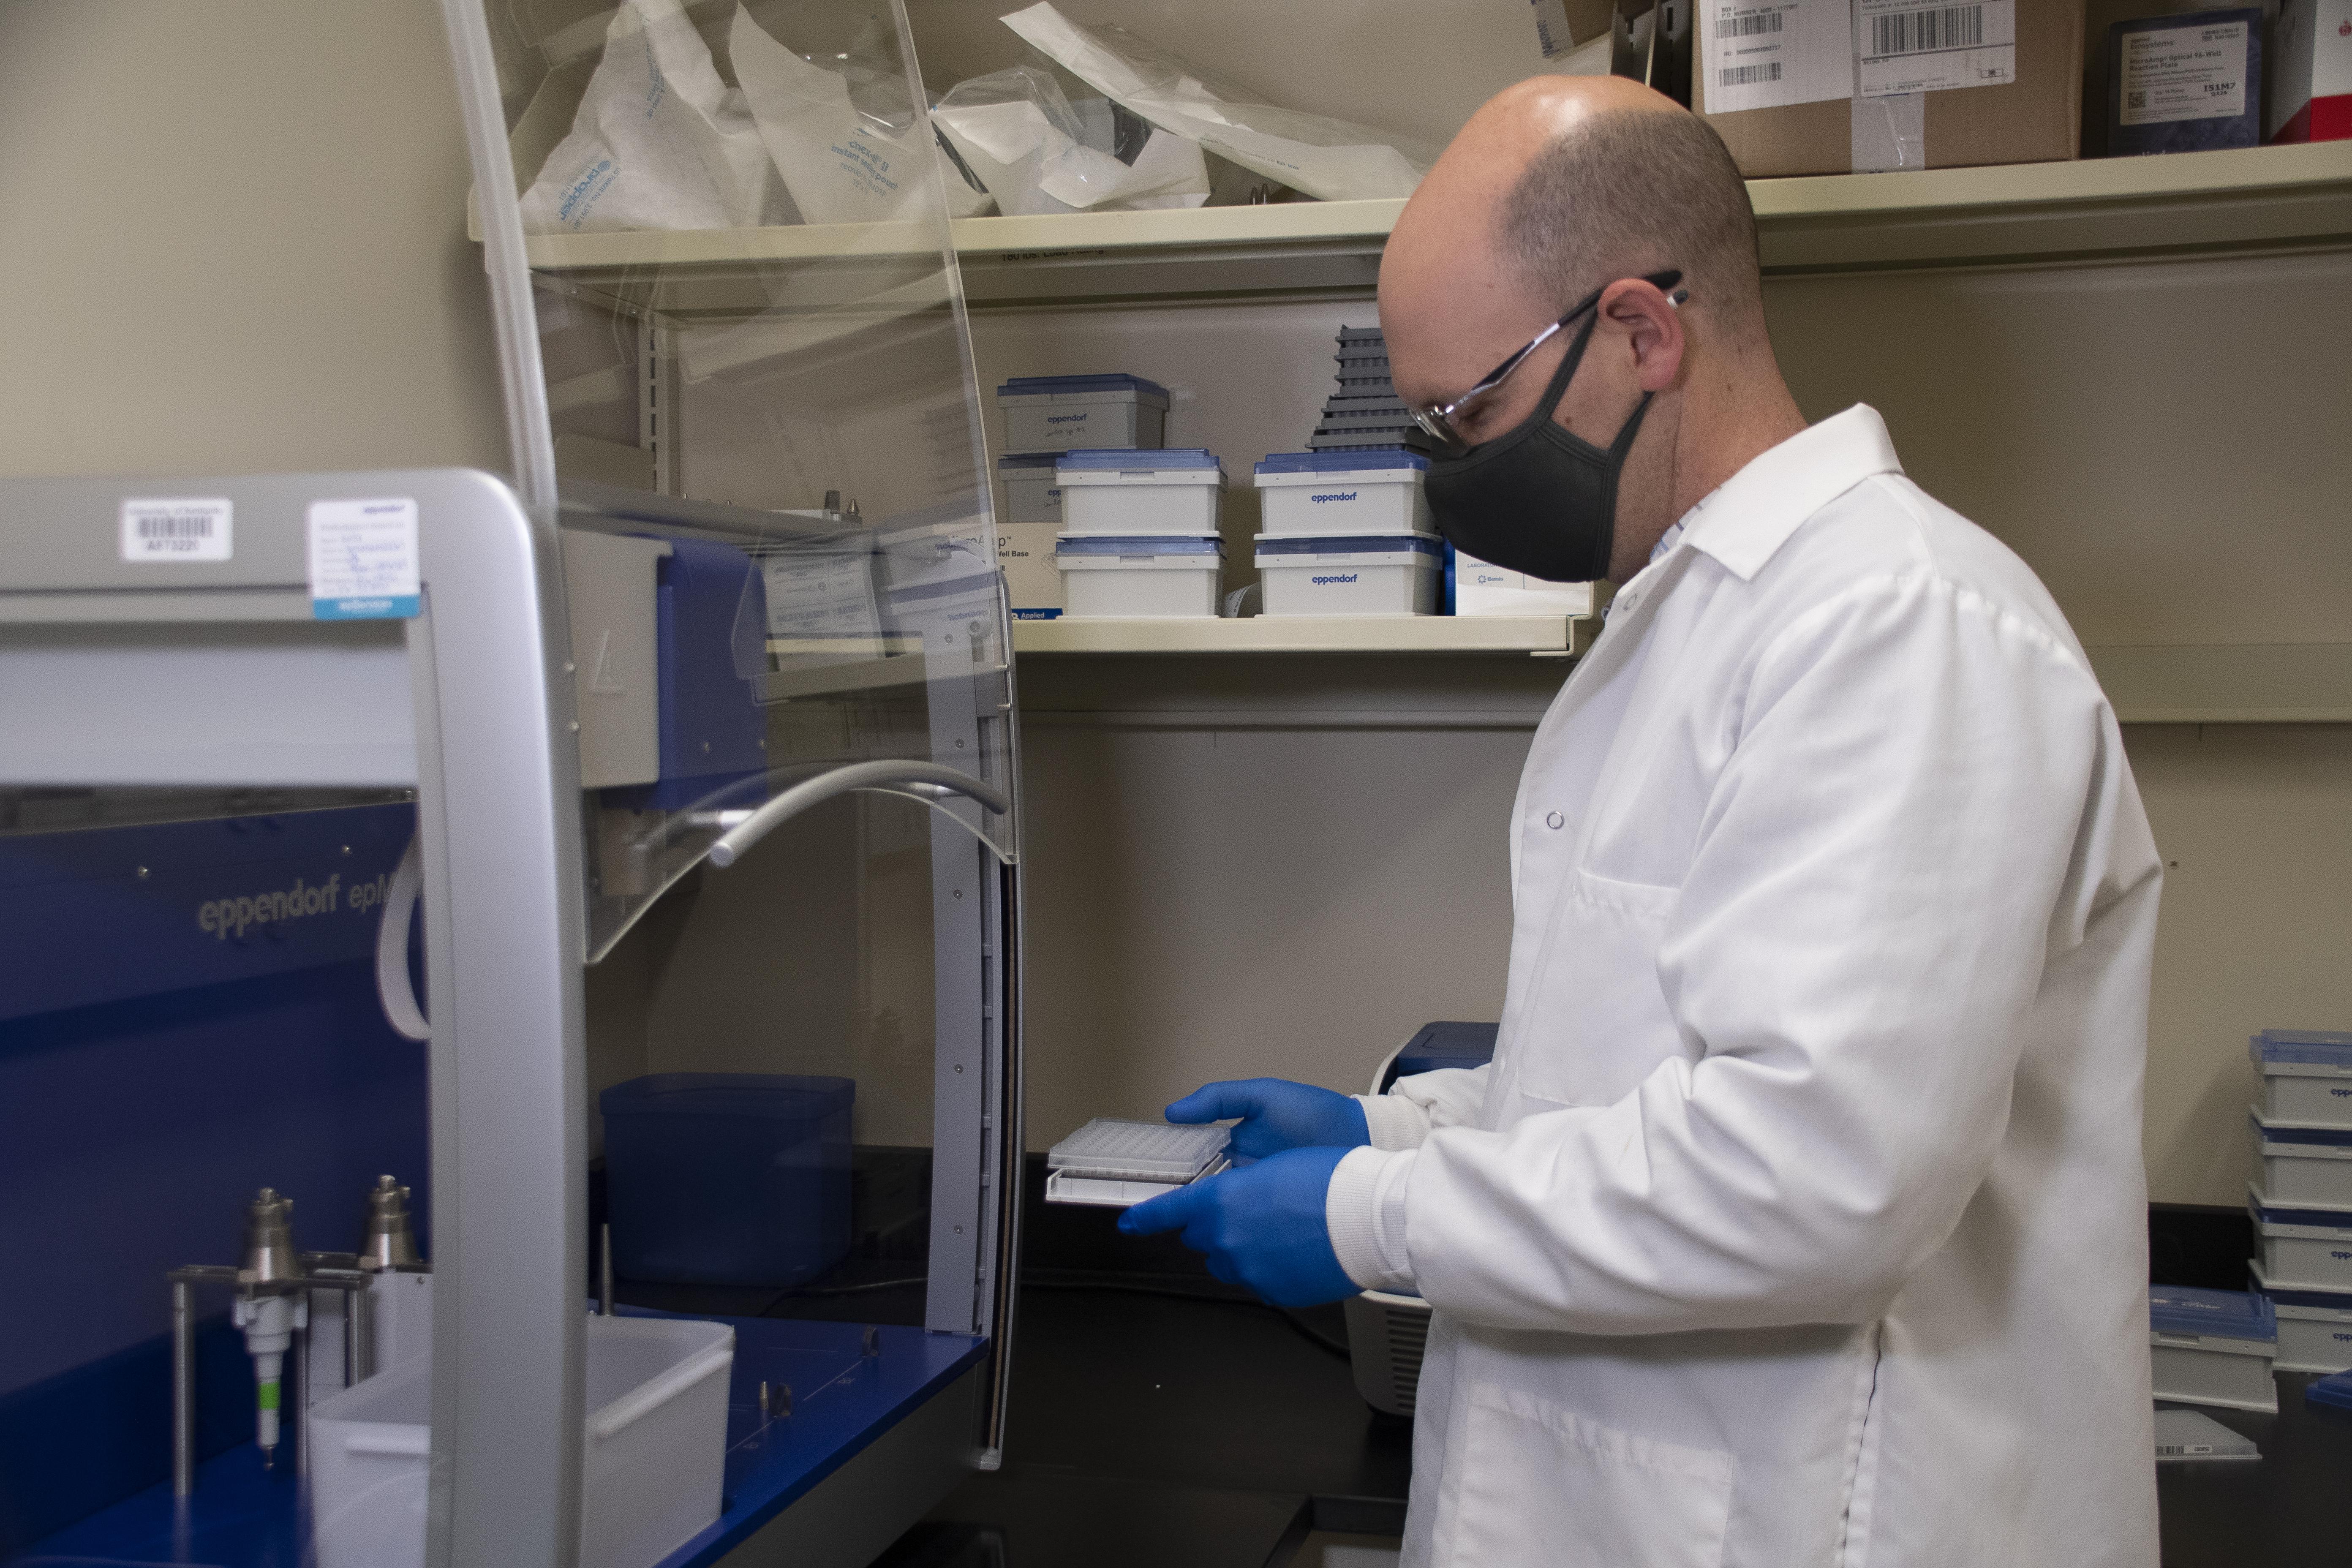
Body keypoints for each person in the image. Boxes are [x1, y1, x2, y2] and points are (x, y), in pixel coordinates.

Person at [1121, 75, 2163, 1567]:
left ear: (1639, 333)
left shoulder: (1899, 628)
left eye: (1465, 413)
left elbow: (1812, 1177)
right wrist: (1396, 1127)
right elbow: (1647, 1075)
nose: (1444, 468)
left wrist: (1373, 1216)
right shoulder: (1692, 624)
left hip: (1828, 1515)